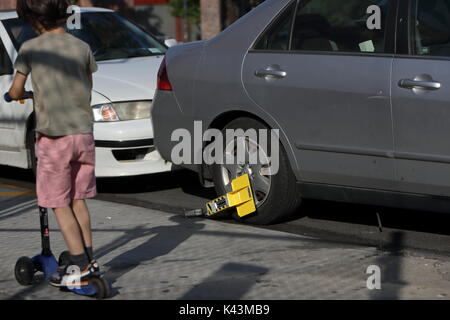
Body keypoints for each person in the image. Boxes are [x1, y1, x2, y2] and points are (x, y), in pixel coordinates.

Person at [9, 0, 100, 286]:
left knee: (59, 203)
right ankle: (90, 257)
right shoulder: (82, 47)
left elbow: (14, 90)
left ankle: (79, 264)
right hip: (83, 135)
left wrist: (17, 95)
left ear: (33, 20)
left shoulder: (30, 49)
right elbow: (88, 83)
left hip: (54, 138)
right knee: (78, 200)